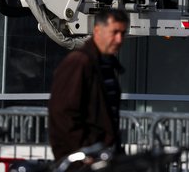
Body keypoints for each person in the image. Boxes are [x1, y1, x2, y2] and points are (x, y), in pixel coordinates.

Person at [48, 9, 129, 160]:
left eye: (123, 33)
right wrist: (83, 152)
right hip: (82, 161)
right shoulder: (79, 62)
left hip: (103, 157)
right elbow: (63, 113)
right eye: (115, 32)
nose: (119, 39)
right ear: (98, 31)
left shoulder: (106, 65)